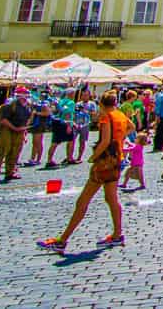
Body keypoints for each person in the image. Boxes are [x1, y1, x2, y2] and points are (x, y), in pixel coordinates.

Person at [35, 91, 130, 252]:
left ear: (101, 104)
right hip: (117, 160)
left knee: (83, 201)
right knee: (112, 199)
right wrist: (119, 141)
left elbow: (105, 140)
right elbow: (132, 127)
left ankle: (62, 240)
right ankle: (117, 235)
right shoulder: (120, 114)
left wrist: (94, 156)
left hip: (104, 162)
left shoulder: (106, 117)